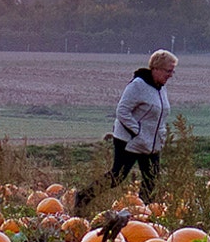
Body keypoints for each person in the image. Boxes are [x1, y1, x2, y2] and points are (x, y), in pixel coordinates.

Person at [75, 50, 175, 214]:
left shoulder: (161, 88)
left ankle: (143, 213)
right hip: (129, 141)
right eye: (168, 71)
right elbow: (122, 111)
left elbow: (160, 114)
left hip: (151, 144)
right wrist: (137, 131)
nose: (171, 75)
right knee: (117, 177)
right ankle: (83, 198)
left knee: (152, 179)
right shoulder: (138, 85)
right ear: (156, 68)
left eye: (172, 71)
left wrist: (160, 134)